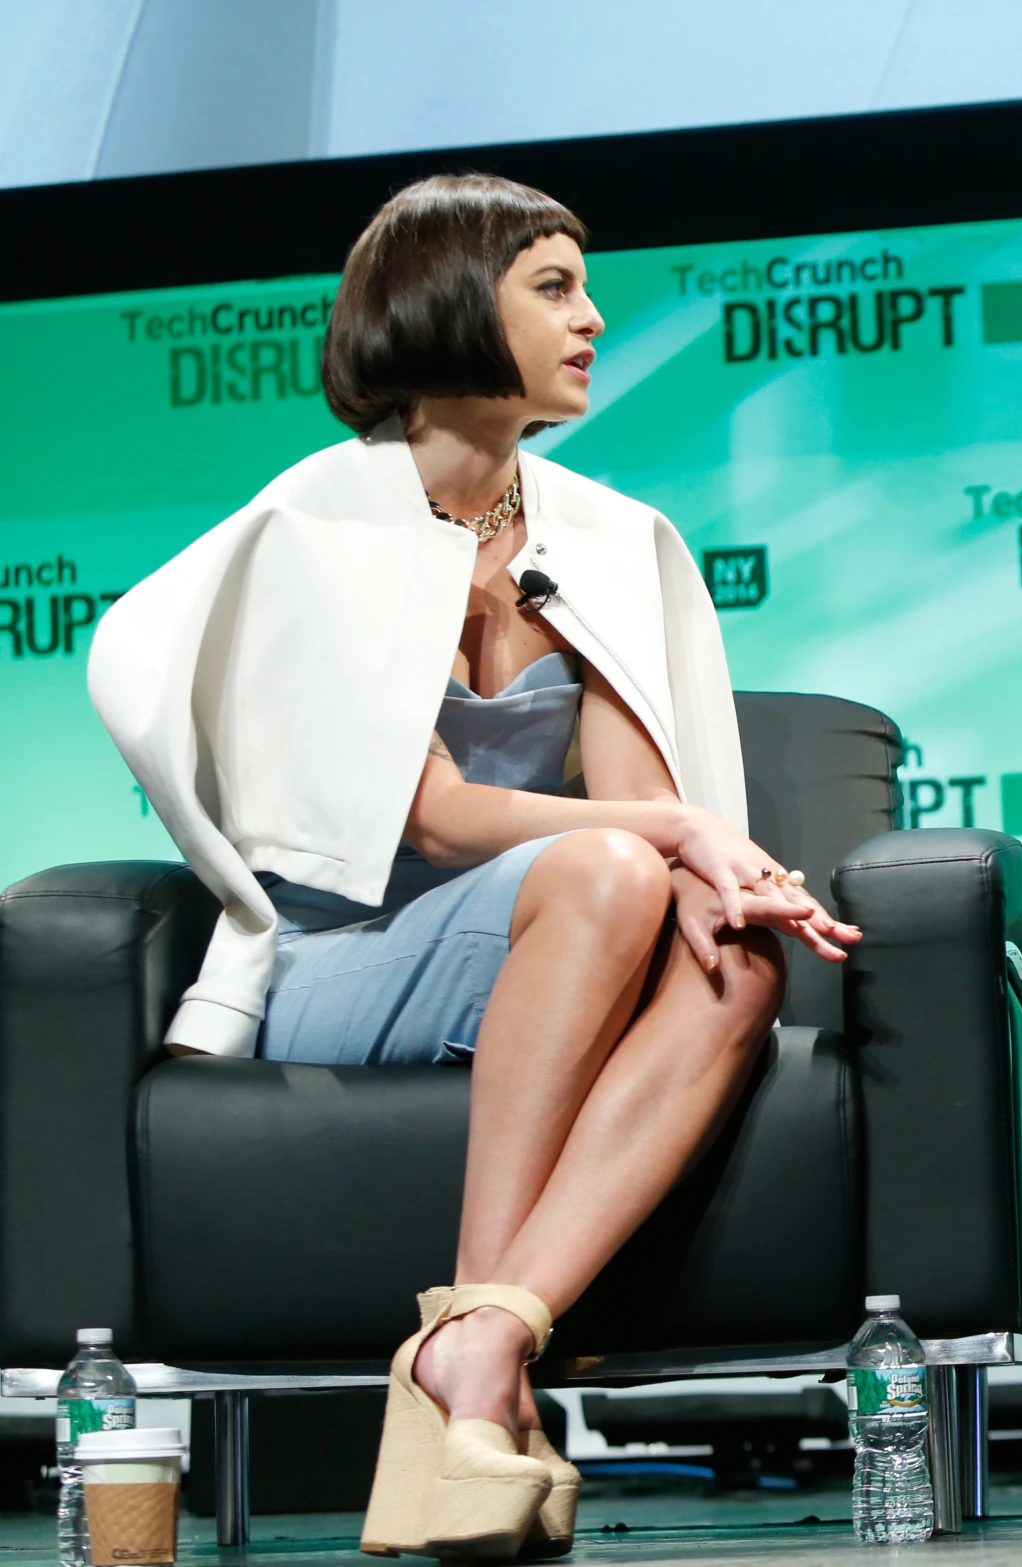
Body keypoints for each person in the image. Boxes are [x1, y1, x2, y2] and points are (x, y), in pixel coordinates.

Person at [88, 175, 859, 1561]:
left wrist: (714, 857)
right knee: (627, 876)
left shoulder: (605, 538)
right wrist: (672, 838)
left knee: (727, 942)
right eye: (553, 287)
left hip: (534, 932)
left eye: (585, 285)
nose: (594, 317)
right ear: (450, 303)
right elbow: (432, 820)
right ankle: (478, 1357)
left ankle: (483, 1337)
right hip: (340, 955)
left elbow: (636, 800)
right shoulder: (312, 530)